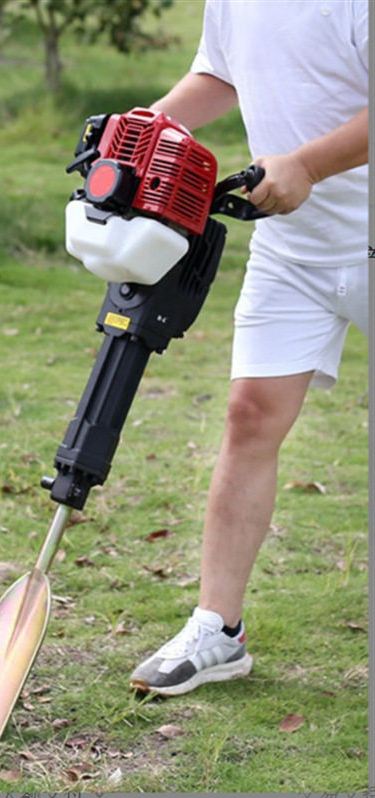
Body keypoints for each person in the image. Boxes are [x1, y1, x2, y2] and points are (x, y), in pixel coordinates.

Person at [129, 0, 369, 696]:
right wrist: (152, 125)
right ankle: (218, 630)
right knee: (249, 417)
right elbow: (224, 73)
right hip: (295, 247)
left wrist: (306, 165)